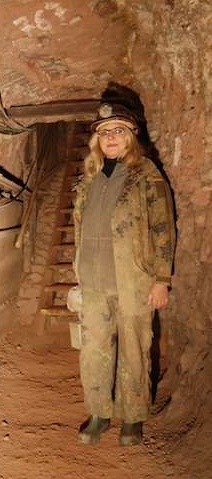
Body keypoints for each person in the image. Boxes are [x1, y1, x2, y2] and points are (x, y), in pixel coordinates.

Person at [72, 102, 176, 446]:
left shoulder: (146, 174)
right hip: (94, 281)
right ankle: (98, 413)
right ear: (97, 141)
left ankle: (132, 416)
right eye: (104, 132)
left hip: (134, 281)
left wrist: (161, 279)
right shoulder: (89, 178)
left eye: (118, 130)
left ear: (131, 136)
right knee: (93, 351)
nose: (111, 137)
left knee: (134, 350)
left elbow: (163, 227)